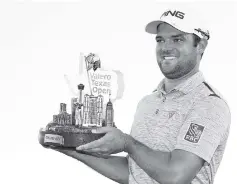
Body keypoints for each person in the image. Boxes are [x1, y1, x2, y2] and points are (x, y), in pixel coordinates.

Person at [50, 8, 231, 184]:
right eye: (160, 40)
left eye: (177, 39)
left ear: (200, 45)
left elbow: (176, 175)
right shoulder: (148, 103)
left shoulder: (209, 104)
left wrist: (127, 143)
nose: (166, 48)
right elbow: (133, 173)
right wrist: (72, 149)